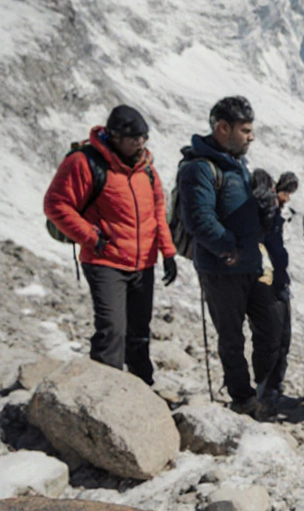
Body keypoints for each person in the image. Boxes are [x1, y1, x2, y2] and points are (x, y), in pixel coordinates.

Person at [43, 104, 178, 385]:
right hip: (105, 261)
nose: (140, 144)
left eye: (144, 137)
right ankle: (105, 392)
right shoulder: (85, 162)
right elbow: (55, 204)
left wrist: (168, 253)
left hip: (143, 264)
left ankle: (143, 389)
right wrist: (91, 238)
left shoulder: (146, 167)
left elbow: (157, 212)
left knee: (139, 331)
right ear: (114, 137)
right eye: (134, 139)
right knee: (112, 329)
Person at [178, 95, 280, 417]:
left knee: (271, 327)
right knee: (232, 338)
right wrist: (228, 249)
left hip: (250, 264)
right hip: (222, 269)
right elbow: (199, 219)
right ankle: (242, 398)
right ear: (223, 128)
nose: (251, 137)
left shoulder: (239, 165)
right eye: (246, 130)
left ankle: (264, 388)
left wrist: (268, 202)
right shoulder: (199, 169)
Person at [252, 169, 295, 410]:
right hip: (264, 281)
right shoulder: (260, 212)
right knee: (270, 337)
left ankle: (273, 388)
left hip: (278, 279)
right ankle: (265, 389)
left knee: (281, 337)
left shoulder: (278, 213)